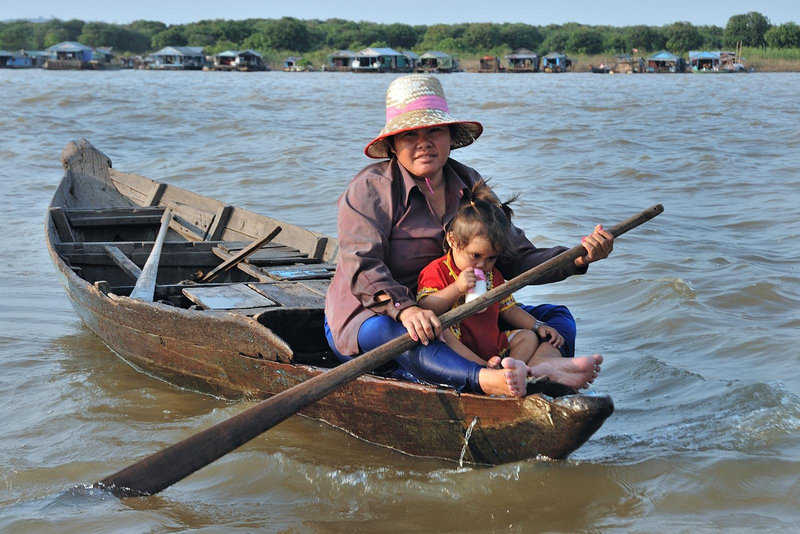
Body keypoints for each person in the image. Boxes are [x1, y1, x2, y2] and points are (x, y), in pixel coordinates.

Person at [324, 74, 612, 397]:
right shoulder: (369, 190)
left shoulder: (469, 183)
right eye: (410, 134)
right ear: (393, 144)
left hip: (463, 314)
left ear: (449, 135)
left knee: (556, 318)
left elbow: (515, 255)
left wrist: (578, 256)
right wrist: (408, 309)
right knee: (410, 333)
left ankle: (542, 369)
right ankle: (487, 380)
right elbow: (363, 268)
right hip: (378, 315)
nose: (424, 142)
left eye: (434, 130)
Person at [416, 180, 565, 372]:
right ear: (452, 241)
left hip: (493, 345)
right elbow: (426, 306)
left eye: (491, 258)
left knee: (528, 337)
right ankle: (482, 369)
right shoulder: (438, 270)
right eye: (475, 256)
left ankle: (509, 370)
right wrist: (457, 288)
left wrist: (537, 325)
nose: (482, 265)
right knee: (442, 332)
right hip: (461, 348)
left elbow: (508, 309)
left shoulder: (492, 275)